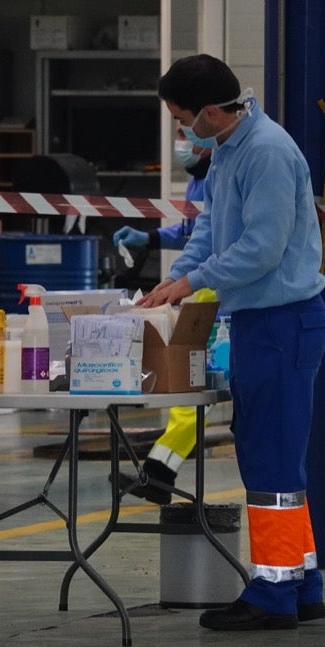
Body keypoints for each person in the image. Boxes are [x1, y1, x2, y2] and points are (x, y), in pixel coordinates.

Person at [137, 54, 325, 632]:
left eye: (183, 119)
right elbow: (210, 230)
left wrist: (195, 282)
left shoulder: (266, 153)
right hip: (259, 323)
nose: (182, 132)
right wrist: (176, 280)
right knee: (276, 461)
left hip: (282, 324)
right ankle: (302, 582)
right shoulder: (227, 150)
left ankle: (273, 594)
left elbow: (261, 249)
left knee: (271, 464)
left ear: (212, 112)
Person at [111, 132, 213, 505]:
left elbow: (216, 242)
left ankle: (158, 474)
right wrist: (150, 238)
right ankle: (158, 473)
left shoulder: (223, 173)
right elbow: (193, 236)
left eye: (186, 130)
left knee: (193, 383)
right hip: (201, 289)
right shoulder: (198, 178)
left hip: (216, 293)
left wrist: (180, 282)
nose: (180, 140)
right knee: (191, 385)